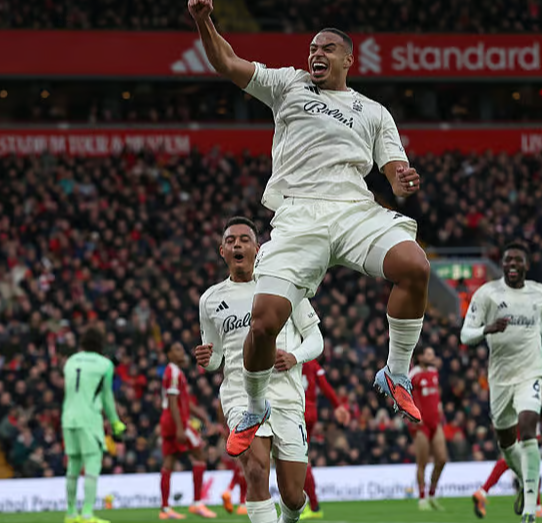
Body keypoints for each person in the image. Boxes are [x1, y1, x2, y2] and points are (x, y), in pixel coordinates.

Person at [188, 0, 432, 458]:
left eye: (328, 48)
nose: (316, 54)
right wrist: (203, 20)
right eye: (312, 47)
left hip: (354, 210)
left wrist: (402, 179)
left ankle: (396, 372)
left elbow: (396, 169)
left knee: (415, 266)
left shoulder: (374, 112)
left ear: (348, 59)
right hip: (299, 216)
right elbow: (225, 61)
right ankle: (255, 407)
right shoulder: (288, 84)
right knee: (264, 322)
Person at [195, 217, 324, 523]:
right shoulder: (210, 300)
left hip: (287, 395)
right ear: (222, 251)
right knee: (254, 470)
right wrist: (207, 359)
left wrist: (294, 356)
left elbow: (316, 338)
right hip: (241, 395)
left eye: (243, 239)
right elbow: (216, 361)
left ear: (257, 248)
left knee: (293, 496)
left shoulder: (283, 287)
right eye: (230, 240)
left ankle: (289, 517)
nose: (237, 244)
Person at [460, 242, 542, 523]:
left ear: (526, 265)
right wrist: (487, 329)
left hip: (532, 370)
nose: (512, 264)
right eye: (508, 260)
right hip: (500, 378)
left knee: (529, 428)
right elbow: (465, 335)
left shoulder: (541, 293)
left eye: (518, 260)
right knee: (506, 442)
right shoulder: (488, 294)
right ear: (503, 264)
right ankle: (523, 483)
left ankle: (530, 509)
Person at [62, 328, 125, 523]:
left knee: (72, 467)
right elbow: (107, 397)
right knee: (91, 467)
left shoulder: (70, 361)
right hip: (89, 420)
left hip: (68, 418)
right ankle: (87, 514)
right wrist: (115, 423)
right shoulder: (105, 364)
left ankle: (71, 514)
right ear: (101, 344)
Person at [159, 342, 216, 519]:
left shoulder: (175, 372)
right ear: (168, 354)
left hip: (169, 422)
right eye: (176, 349)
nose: (182, 353)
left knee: (169, 462)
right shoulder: (173, 372)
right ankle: (197, 503)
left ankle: (165, 509)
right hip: (179, 424)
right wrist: (180, 429)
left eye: (182, 349)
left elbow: (185, 403)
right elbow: (174, 403)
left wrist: (204, 417)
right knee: (200, 456)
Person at [300, 359, 350, 520]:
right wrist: (337, 406)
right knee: (300, 458)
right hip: (311, 411)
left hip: (295, 409)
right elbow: (324, 385)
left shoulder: (286, 356)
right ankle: (312, 506)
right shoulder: (312, 361)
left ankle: (311, 506)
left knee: (295, 459)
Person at [472, 437, 542, 518]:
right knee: (529, 463)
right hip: (520, 430)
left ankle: (483, 491)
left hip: (508, 429)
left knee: (510, 460)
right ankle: (537, 508)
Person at [408, 346, 448, 511]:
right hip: (421, 424)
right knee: (422, 462)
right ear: (420, 357)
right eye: (429, 354)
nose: (432, 357)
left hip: (435, 422)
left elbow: (436, 393)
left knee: (442, 459)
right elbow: (402, 394)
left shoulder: (434, 372)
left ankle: (432, 495)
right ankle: (422, 498)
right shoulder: (413, 374)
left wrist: (439, 406)